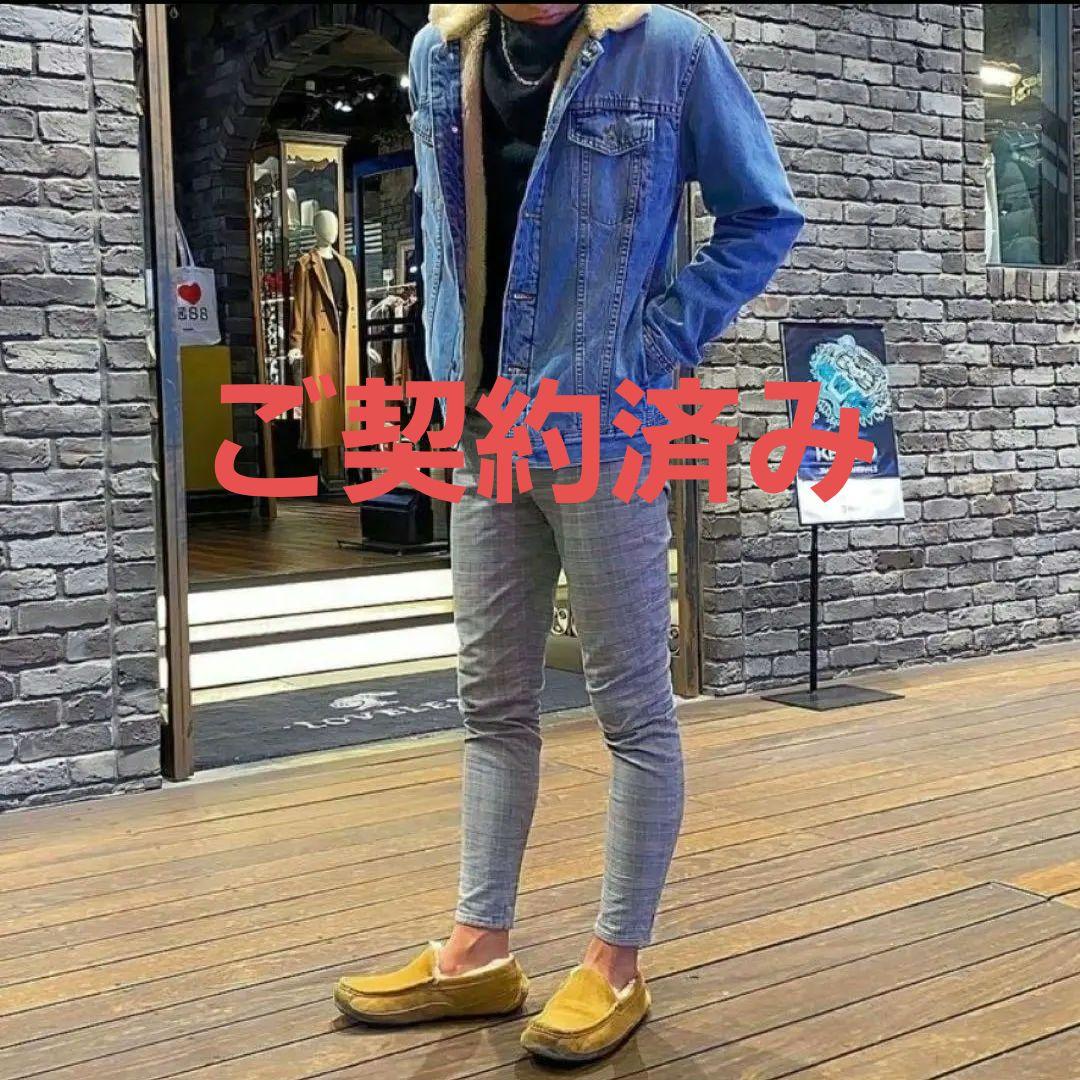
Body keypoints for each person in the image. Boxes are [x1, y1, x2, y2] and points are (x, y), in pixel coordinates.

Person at [335, 2, 803, 1064]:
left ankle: (615, 964)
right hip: (482, 426)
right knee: (492, 703)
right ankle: (478, 951)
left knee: (631, 707)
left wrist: (653, 348)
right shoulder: (440, 52)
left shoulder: (669, 50)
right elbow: (449, 234)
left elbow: (763, 214)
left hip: (605, 426)